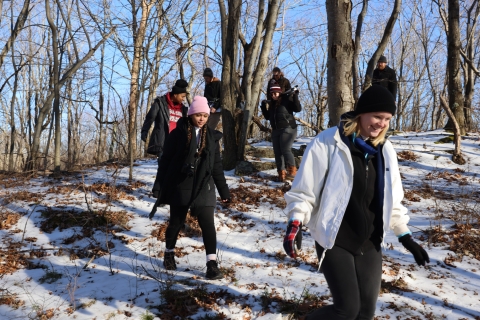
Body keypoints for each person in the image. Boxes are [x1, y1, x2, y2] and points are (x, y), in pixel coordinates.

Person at [283, 85, 429, 319]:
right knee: (346, 310)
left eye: (387, 119)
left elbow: (393, 199)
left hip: (370, 240)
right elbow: (304, 190)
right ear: (362, 113)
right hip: (335, 238)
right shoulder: (328, 142)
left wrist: (406, 236)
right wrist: (295, 222)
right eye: (377, 116)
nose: (381, 123)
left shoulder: (385, 150)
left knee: (365, 313)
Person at [154, 96, 231, 280]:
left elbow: (216, 167)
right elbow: (165, 161)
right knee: (176, 222)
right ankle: (169, 253)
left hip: (204, 186)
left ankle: (212, 264)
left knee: (208, 225)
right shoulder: (178, 134)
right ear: (191, 115)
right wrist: (159, 185)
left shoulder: (212, 138)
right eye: (198, 115)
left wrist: (224, 191)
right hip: (181, 184)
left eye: (205, 115)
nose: (202, 118)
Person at [141, 79, 189, 198]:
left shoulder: (183, 109)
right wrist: (144, 131)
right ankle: (158, 192)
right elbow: (150, 118)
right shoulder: (160, 103)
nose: (183, 99)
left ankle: (163, 191)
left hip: (177, 142)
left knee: (174, 168)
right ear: (176, 94)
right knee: (163, 166)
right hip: (163, 141)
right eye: (182, 96)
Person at [260, 81, 301, 182]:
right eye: (272, 94)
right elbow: (268, 117)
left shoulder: (286, 100)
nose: (274, 95)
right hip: (276, 130)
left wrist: (295, 96)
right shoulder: (273, 104)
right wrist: (263, 107)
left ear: (279, 92)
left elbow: (298, 108)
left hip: (289, 128)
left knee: (285, 149)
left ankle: (292, 172)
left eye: (275, 93)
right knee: (277, 152)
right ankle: (281, 174)